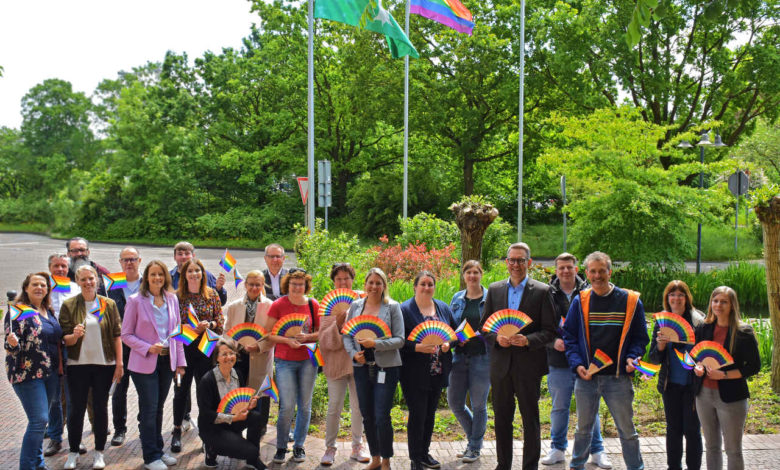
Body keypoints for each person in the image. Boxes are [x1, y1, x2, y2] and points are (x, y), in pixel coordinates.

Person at [562, 251, 648, 470]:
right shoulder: (580, 300)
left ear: (610, 272)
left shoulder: (630, 300)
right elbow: (569, 336)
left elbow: (640, 338)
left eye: (602, 271)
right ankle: (577, 466)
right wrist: (578, 364)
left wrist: (631, 358)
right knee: (582, 429)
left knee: (627, 431)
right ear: (587, 273)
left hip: (618, 378)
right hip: (587, 377)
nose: (597, 276)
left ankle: (636, 467)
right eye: (593, 271)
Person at [479, 243, 555, 470]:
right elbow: (484, 327)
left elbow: (550, 330)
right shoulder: (494, 289)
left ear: (529, 262)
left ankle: (529, 466)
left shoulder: (542, 291)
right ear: (506, 262)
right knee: (502, 419)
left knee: (529, 419)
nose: (516, 265)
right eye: (512, 260)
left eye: (521, 260)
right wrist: (496, 338)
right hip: (500, 364)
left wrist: (529, 340)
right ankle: (503, 465)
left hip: (528, 365)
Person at [542, 253, 611, 468]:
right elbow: (538, 325)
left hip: (586, 361)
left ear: (576, 269)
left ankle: (597, 450)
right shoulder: (546, 294)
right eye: (561, 267)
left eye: (569, 267)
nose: (565, 271)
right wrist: (552, 341)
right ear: (555, 270)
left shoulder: (589, 291)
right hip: (558, 360)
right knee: (559, 407)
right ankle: (557, 448)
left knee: (590, 408)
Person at [121, 260, 185, 470]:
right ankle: (150, 457)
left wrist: (180, 363)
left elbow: (177, 333)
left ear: (166, 277)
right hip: (144, 363)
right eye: (153, 274)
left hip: (168, 361)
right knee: (148, 410)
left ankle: (158, 450)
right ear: (146, 277)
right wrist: (148, 347)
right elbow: (126, 335)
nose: (157, 278)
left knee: (158, 408)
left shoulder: (172, 298)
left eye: (160, 274)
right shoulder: (135, 301)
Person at [59, 265, 123, 470]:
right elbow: (64, 340)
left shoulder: (108, 304)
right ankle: (73, 452)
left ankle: (99, 452)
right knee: (76, 410)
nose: (88, 282)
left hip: (104, 364)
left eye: (91, 278)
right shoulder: (69, 305)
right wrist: (74, 336)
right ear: (78, 281)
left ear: (97, 280)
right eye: (83, 279)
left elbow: (116, 335)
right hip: (78, 365)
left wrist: (119, 363)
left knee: (100, 408)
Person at [343, 268, 404, 470]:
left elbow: (400, 340)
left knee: (381, 415)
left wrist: (375, 343)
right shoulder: (355, 306)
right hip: (361, 367)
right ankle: (375, 457)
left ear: (384, 286)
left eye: (379, 283)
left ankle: (386, 459)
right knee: (367, 414)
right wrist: (353, 354)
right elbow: (346, 334)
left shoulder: (393, 307)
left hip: (385, 368)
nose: (374, 286)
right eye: (371, 282)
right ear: (365, 283)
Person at [693, 286, 760, 470]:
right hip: (703, 395)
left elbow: (754, 366)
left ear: (732, 305)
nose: (718, 305)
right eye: (715, 301)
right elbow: (695, 358)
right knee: (711, 447)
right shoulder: (703, 328)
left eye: (724, 302)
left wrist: (723, 375)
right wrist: (697, 367)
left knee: (733, 450)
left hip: (732, 398)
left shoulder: (743, 332)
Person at [4, 273, 62, 470]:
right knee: (39, 420)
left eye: (43, 285)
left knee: (40, 421)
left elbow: (55, 338)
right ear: (26, 288)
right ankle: (27, 466)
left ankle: (38, 463)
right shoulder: (17, 311)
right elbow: (10, 344)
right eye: (35, 284)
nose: (39, 288)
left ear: (47, 289)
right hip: (27, 374)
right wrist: (11, 343)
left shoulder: (48, 310)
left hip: (50, 372)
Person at [401, 271, 457, 470]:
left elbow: (454, 333)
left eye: (430, 284)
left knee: (430, 415)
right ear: (415, 286)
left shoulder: (442, 307)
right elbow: (399, 341)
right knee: (417, 415)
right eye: (422, 284)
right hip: (413, 373)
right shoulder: (405, 310)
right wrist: (417, 347)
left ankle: (424, 453)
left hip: (438, 371)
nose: (426, 287)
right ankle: (415, 458)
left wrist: (448, 344)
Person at [649, 280, 704, 470]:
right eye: (672, 294)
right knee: (673, 429)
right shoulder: (662, 321)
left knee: (692, 430)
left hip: (693, 385)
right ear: (667, 298)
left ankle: (694, 467)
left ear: (687, 298)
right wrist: (661, 346)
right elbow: (654, 358)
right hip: (670, 384)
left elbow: (705, 353)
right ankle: (673, 467)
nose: (676, 298)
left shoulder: (698, 321)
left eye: (681, 294)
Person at [318, 263, 370, 466]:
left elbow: (371, 326)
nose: (343, 282)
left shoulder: (362, 299)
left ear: (353, 279)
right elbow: (324, 340)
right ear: (333, 281)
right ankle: (330, 448)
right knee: (334, 407)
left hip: (359, 361)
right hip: (336, 362)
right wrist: (338, 324)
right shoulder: (328, 303)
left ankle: (358, 445)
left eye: (346, 278)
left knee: (359, 407)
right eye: (338, 278)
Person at [171, 258, 224, 453]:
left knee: (205, 393)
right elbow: (171, 325)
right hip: (184, 348)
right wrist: (189, 327)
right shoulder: (177, 297)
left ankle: (206, 433)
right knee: (180, 391)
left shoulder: (212, 294)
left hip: (205, 349)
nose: (194, 274)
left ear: (203, 273)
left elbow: (220, 319)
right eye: (190, 271)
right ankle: (176, 430)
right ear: (184, 275)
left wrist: (209, 325)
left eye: (197, 270)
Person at [267, 268, 320, 464]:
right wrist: (287, 340)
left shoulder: (313, 305)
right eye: (294, 283)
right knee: (287, 406)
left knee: (305, 406)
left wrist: (308, 337)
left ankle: (299, 446)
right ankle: (281, 446)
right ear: (287, 284)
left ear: (306, 285)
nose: (297, 287)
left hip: (308, 360)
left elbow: (321, 332)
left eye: (301, 283)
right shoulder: (278, 305)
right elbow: (268, 334)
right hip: (285, 360)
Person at [198, 339, 267, 469]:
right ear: (216, 358)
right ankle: (211, 448)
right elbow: (206, 414)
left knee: (256, 416)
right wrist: (234, 418)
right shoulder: (207, 380)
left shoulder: (238, 374)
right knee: (250, 451)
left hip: (232, 422)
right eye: (224, 354)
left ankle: (252, 461)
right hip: (212, 427)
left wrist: (248, 405)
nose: (229, 357)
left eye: (232, 353)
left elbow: (238, 404)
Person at [223, 270, 274, 443]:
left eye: (258, 284)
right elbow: (227, 331)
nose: (254, 287)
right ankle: (237, 426)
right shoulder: (234, 306)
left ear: (262, 286)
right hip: (239, 356)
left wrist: (259, 346)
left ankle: (259, 427)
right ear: (245, 285)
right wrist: (234, 346)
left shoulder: (270, 306)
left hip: (259, 356)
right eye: (251, 284)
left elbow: (272, 334)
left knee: (260, 393)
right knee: (239, 393)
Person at [447, 260, 489, 464]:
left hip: (482, 358)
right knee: (455, 402)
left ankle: (474, 447)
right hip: (459, 356)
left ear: (481, 274)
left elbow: (494, 327)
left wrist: (477, 335)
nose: (472, 276)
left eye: (476, 272)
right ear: (464, 276)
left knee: (479, 404)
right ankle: (475, 441)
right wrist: (453, 338)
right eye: (468, 272)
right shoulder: (457, 298)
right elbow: (452, 326)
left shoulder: (490, 298)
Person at [44, 254, 80, 458]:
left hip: (72, 347)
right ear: (50, 267)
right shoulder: (42, 288)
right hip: (51, 348)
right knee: (54, 398)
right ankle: (56, 438)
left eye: (63, 266)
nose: (60, 269)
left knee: (74, 395)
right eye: (56, 266)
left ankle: (76, 438)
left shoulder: (75, 288)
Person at [108, 247, 142, 447]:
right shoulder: (112, 283)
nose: (129, 263)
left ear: (139, 260)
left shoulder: (147, 283)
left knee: (144, 390)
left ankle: (143, 427)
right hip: (119, 346)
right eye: (125, 260)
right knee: (119, 390)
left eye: (133, 259)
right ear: (120, 262)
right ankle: (119, 430)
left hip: (141, 346)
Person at [168, 241, 227, 305]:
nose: (184, 257)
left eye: (187, 253)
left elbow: (221, 303)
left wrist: (219, 288)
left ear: (193, 256)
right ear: (174, 257)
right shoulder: (167, 278)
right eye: (180, 254)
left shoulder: (206, 275)